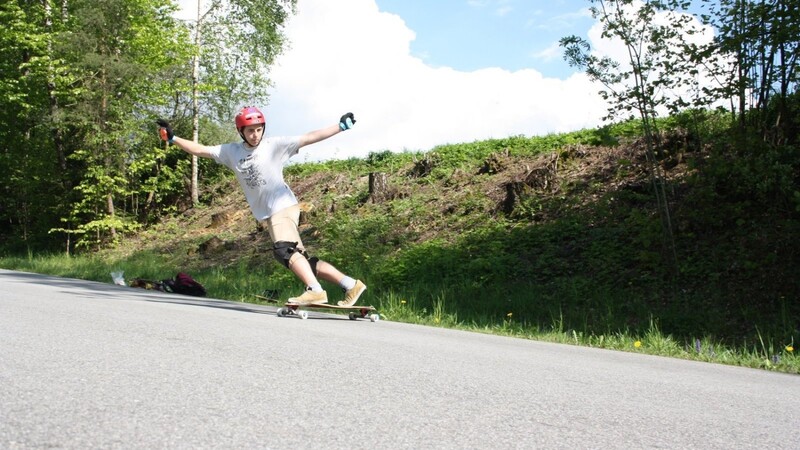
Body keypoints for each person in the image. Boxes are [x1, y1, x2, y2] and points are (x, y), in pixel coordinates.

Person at [156, 107, 367, 306]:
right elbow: (200, 150)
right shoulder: (231, 152)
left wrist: (339, 126)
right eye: (250, 131)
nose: (255, 135)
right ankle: (350, 284)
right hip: (270, 212)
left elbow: (309, 137)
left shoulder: (274, 145)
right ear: (241, 132)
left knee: (284, 250)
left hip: (282, 205)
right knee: (303, 261)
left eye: (258, 130)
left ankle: (315, 290)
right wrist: (173, 138)